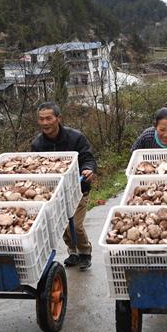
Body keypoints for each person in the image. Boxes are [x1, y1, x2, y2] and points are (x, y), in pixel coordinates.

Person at [31, 101, 97, 270]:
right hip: (54, 193)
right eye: (41, 119)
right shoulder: (37, 145)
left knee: (75, 224)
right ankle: (73, 252)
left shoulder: (76, 137)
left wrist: (88, 170)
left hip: (78, 189)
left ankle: (85, 252)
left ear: (58, 118)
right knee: (62, 226)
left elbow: (87, 158)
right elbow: (34, 167)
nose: (45, 123)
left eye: (49, 118)